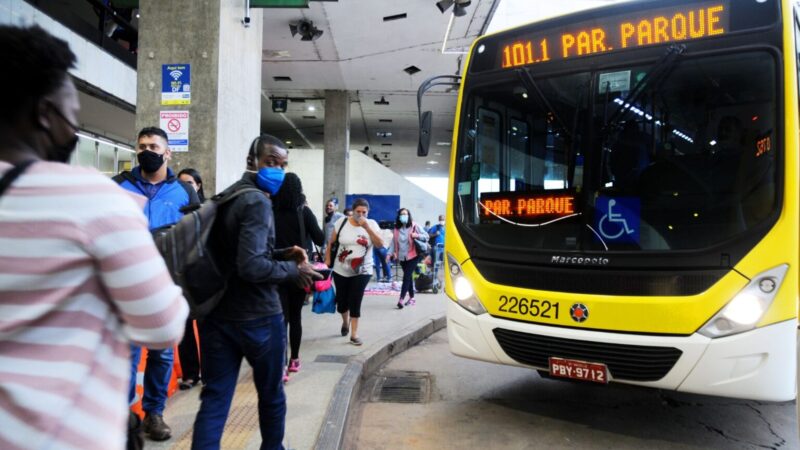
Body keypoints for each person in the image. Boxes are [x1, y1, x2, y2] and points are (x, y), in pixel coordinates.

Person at [0, 24, 188, 450]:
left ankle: (150, 409)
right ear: (45, 113)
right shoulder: (94, 197)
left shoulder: (169, 191)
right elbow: (162, 324)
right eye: (73, 109)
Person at [191, 134, 321, 450]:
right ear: (253, 161)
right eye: (270, 162)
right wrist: (294, 271)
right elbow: (251, 267)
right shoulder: (258, 201)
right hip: (258, 318)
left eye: (282, 164)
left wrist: (280, 253)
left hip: (217, 316)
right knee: (271, 394)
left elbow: (238, 256)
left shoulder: (227, 197)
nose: (277, 170)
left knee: (215, 397)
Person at [114, 127, 200, 441]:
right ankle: (122, 418)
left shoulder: (184, 191)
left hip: (166, 282)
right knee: (128, 353)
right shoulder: (119, 186)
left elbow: (195, 235)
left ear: (168, 152)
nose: (147, 150)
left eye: (154, 145)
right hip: (125, 282)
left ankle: (154, 413)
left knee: (162, 353)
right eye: (142, 145)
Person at [272, 172, 325, 379]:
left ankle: (281, 366)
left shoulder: (270, 211)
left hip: (276, 270)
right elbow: (320, 239)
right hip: (299, 272)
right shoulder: (304, 212)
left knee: (280, 320)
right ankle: (294, 359)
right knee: (295, 317)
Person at [326, 198, 384, 346]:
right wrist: (327, 260)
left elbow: (380, 244)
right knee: (342, 302)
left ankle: (354, 334)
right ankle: (345, 321)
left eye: (364, 212)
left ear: (368, 212)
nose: (360, 214)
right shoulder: (342, 223)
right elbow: (331, 242)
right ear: (352, 211)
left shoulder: (372, 224)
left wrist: (367, 228)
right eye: (358, 212)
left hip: (363, 270)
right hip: (341, 269)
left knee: (355, 300)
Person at [176, 168, 206, 390]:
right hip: (179, 277)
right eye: (181, 184)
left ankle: (209, 370)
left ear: (198, 185)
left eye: (189, 183)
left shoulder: (207, 211)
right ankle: (190, 373)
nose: (185, 187)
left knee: (207, 329)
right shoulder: (175, 212)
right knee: (184, 327)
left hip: (202, 277)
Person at [388, 208, 429, 309]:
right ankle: (412, 298)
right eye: (402, 214)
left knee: (406, 277)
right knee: (409, 277)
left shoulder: (415, 226)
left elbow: (426, 236)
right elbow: (393, 243)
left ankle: (401, 299)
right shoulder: (396, 229)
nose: (404, 216)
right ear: (399, 216)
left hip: (413, 255)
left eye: (405, 214)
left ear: (409, 215)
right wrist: (389, 254)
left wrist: (417, 235)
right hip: (402, 257)